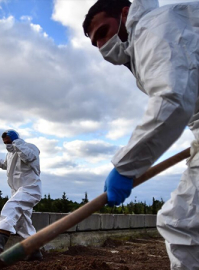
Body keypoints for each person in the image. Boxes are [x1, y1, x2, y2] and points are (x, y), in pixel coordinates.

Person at [83, 0, 199, 268]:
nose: (101, 46)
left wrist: (126, 167)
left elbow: (172, 99)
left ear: (125, 14)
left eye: (103, 32)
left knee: (181, 224)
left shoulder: (152, 27)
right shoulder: (155, 33)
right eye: (95, 43)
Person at [0, 129, 43, 261]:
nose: (7, 145)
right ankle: (35, 251)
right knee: (22, 223)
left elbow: (28, 157)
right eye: (5, 143)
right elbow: (5, 164)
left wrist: (17, 142)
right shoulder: (10, 154)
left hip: (30, 189)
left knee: (11, 207)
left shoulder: (30, 148)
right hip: (17, 191)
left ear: (15, 139)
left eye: (9, 142)